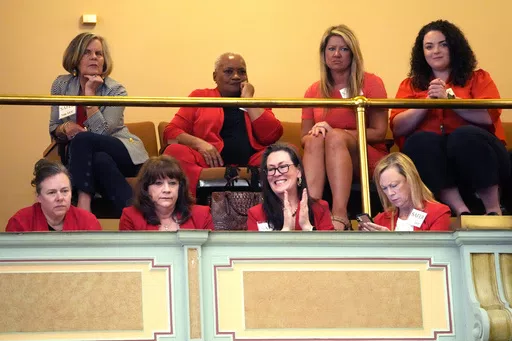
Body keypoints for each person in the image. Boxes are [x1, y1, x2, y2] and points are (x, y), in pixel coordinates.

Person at [390, 20, 510, 216]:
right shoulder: (410, 85)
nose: (435, 51)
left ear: (454, 47)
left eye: (443, 44)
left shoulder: (478, 78)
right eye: (429, 47)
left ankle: (493, 210)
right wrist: (427, 103)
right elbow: (397, 127)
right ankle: (461, 211)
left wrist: (449, 99)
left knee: (464, 136)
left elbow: (489, 115)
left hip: (483, 155)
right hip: (436, 160)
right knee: (420, 141)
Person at [49, 32, 149, 216]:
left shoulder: (116, 90)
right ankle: (137, 218)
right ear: (76, 58)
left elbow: (101, 133)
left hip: (123, 151)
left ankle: (83, 204)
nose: (94, 57)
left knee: (84, 139)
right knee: (100, 161)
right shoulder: (61, 85)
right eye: (87, 52)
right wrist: (65, 128)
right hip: (87, 159)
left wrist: (90, 96)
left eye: (99, 54)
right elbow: (54, 126)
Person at [301, 25, 389, 231]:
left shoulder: (371, 82)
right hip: (323, 154)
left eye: (344, 49)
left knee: (336, 138)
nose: (337, 54)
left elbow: (379, 132)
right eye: (331, 49)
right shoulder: (314, 89)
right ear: (323, 55)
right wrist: (316, 131)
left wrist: (337, 133)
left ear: (353, 53)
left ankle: (340, 214)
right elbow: (303, 138)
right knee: (314, 139)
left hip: (366, 156)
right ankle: (312, 213)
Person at [162, 52, 283, 197]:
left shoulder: (256, 103)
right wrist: (200, 144)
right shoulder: (201, 97)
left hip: (252, 162)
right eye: (229, 71)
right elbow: (171, 132)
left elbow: (271, 136)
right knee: (174, 151)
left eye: (242, 72)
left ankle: (277, 211)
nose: (237, 76)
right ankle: (193, 208)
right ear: (215, 76)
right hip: (207, 162)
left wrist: (249, 101)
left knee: (286, 154)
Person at [247, 143, 334, 231]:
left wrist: (308, 228)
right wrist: (285, 230)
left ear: (298, 171)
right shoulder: (255, 214)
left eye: (283, 166)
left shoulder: (320, 208)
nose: (276, 173)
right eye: (271, 169)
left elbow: (330, 244)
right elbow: (255, 245)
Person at [359, 153, 451, 232]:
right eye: (384, 188)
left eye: (394, 185)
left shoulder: (438, 213)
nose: (390, 193)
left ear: (411, 180)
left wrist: (390, 240)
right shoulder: (380, 220)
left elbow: (433, 251)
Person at [119, 155, 213, 231]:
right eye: (158, 183)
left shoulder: (202, 215)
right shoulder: (131, 217)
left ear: (180, 188)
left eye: (172, 183)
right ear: (146, 188)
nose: (167, 190)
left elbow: (210, 254)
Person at [5, 159, 101, 232]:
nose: (60, 198)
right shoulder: (20, 222)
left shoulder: (88, 221)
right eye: (52, 192)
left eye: (65, 191)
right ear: (39, 197)